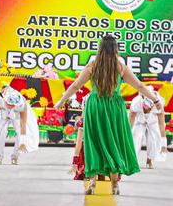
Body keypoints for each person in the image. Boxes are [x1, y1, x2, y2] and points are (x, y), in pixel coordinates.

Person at [55, 34, 159, 195]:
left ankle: (92, 182)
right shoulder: (120, 67)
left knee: (93, 142)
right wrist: (155, 99)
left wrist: (62, 100)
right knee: (114, 142)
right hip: (114, 107)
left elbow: (76, 85)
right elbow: (139, 85)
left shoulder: (92, 65)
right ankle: (115, 184)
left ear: (100, 48)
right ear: (115, 48)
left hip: (95, 106)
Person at [0, 85, 40, 165]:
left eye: (12, 105)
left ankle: (15, 156)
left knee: (20, 133)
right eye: (9, 104)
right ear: (4, 100)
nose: (10, 106)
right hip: (3, 113)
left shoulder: (21, 105)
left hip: (16, 113)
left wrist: (23, 142)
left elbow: (22, 125)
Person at [128, 91, 167, 169]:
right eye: (144, 108)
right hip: (138, 121)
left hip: (153, 121)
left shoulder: (159, 106)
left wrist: (164, 145)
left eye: (148, 109)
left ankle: (150, 159)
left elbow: (161, 126)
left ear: (152, 107)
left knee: (153, 139)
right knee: (135, 138)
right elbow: (130, 121)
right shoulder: (136, 102)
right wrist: (127, 136)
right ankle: (133, 159)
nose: (146, 111)